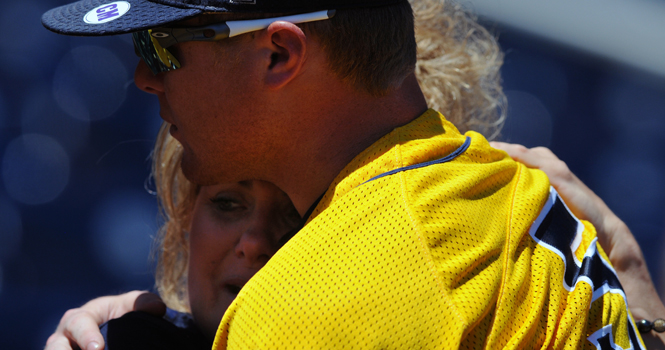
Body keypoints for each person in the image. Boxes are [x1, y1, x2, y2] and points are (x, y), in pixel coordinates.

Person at [41, 0, 659, 348]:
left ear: (280, 54)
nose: (144, 77)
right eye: (227, 204)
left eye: (160, 46)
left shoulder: (320, 307)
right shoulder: (501, 185)